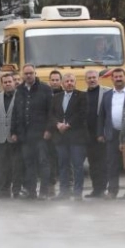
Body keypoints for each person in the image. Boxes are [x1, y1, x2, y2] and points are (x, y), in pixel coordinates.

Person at [10, 64, 53, 200]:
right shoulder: (19, 90)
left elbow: (51, 112)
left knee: (43, 163)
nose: (28, 76)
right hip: (25, 135)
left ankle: (44, 191)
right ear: (23, 75)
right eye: (26, 73)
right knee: (29, 164)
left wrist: (48, 129)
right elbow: (15, 112)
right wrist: (14, 132)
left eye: (31, 73)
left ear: (35, 73)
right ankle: (31, 191)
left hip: (41, 135)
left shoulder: (45, 89)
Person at [49, 73, 88, 201]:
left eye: (72, 81)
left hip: (76, 137)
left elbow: (82, 114)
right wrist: (57, 124)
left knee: (77, 165)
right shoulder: (56, 97)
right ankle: (64, 191)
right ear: (62, 83)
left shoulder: (82, 96)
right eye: (67, 81)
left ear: (75, 82)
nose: (69, 83)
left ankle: (77, 192)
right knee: (62, 165)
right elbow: (51, 114)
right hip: (60, 137)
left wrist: (68, 124)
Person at [97, 68, 125, 199]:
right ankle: (112, 191)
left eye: (120, 76)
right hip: (112, 134)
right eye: (115, 77)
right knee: (112, 164)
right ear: (112, 79)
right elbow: (101, 116)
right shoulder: (107, 95)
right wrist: (100, 133)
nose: (118, 79)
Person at [0, 73, 23, 199]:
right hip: (1, 136)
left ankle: (16, 190)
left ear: (14, 82)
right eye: (5, 82)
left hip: (15, 136)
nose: (8, 84)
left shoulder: (20, 96)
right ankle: (4, 190)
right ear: (2, 84)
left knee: (16, 165)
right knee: (3, 165)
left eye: (10, 81)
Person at [84, 70, 111, 198]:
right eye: (89, 78)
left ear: (98, 78)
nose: (92, 80)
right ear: (86, 80)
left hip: (102, 133)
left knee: (103, 162)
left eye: (94, 77)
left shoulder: (107, 92)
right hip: (88, 135)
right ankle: (96, 189)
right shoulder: (82, 94)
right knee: (92, 163)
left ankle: (103, 189)